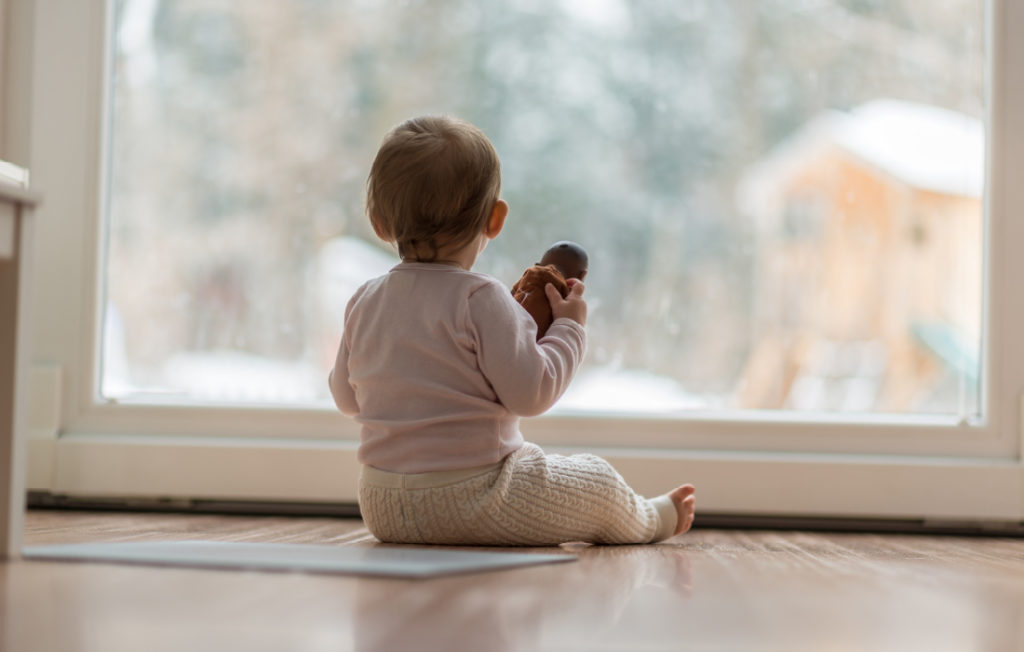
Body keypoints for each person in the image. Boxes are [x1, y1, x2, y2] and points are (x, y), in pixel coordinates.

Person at [329, 115, 695, 545]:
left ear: (378, 221)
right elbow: (531, 392)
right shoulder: (481, 297)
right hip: (473, 498)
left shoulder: (364, 300)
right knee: (596, 481)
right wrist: (568, 329)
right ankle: (650, 519)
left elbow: (346, 396)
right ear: (495, 218)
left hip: (382, 503)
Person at [512, 241, 589, 338]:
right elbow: (560, 351)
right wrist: (571, 323)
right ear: (581, 276)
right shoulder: (565, 312)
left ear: (537, 265)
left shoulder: (525, 280)